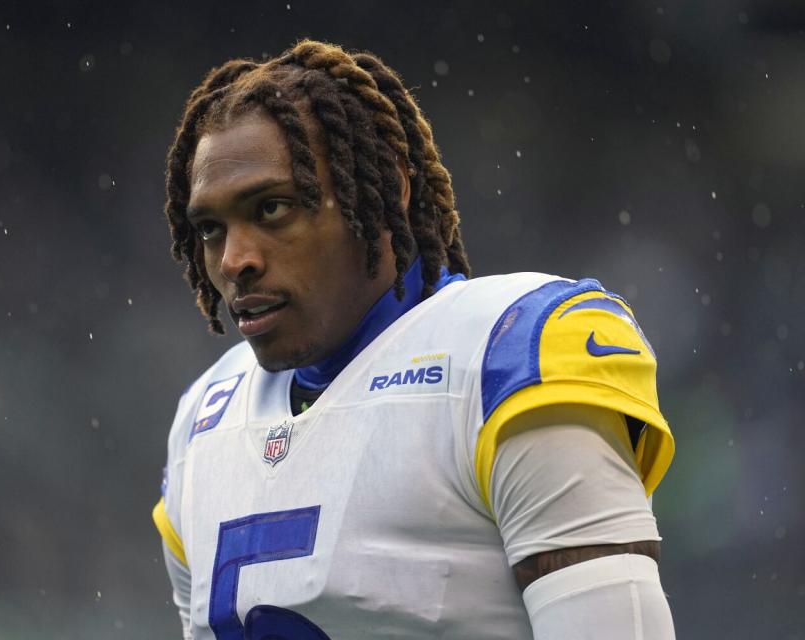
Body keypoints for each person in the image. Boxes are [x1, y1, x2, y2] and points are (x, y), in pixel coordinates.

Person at [152, 39, 676, 639]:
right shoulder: (204, 420)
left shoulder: (510, 357)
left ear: (384, 192)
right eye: (211, 229)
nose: (234, 260)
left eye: (273, 208)